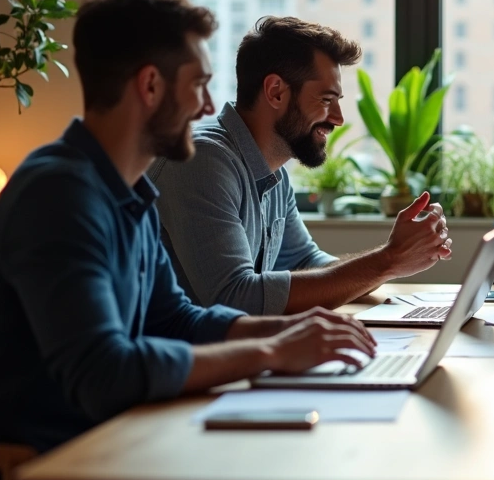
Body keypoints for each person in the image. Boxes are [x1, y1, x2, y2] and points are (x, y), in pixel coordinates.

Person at [0, 0, 394, 480]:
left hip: (134, 442)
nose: (211, 107)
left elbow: (178, 318)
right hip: (65, 472)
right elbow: (104, 372)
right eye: (199, 86)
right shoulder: (59, 192)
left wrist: (298, 331)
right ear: (151, 86)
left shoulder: (127, 193)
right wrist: (271, 349)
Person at [149, 16, 452, 316]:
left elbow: (309, 264)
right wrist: (388, 260)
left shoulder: (273, 174)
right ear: (276, 92)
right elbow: (237, 299)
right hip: (178, 360)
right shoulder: (202, 161)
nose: (338, 118)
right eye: (326, 99)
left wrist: (394, 260)